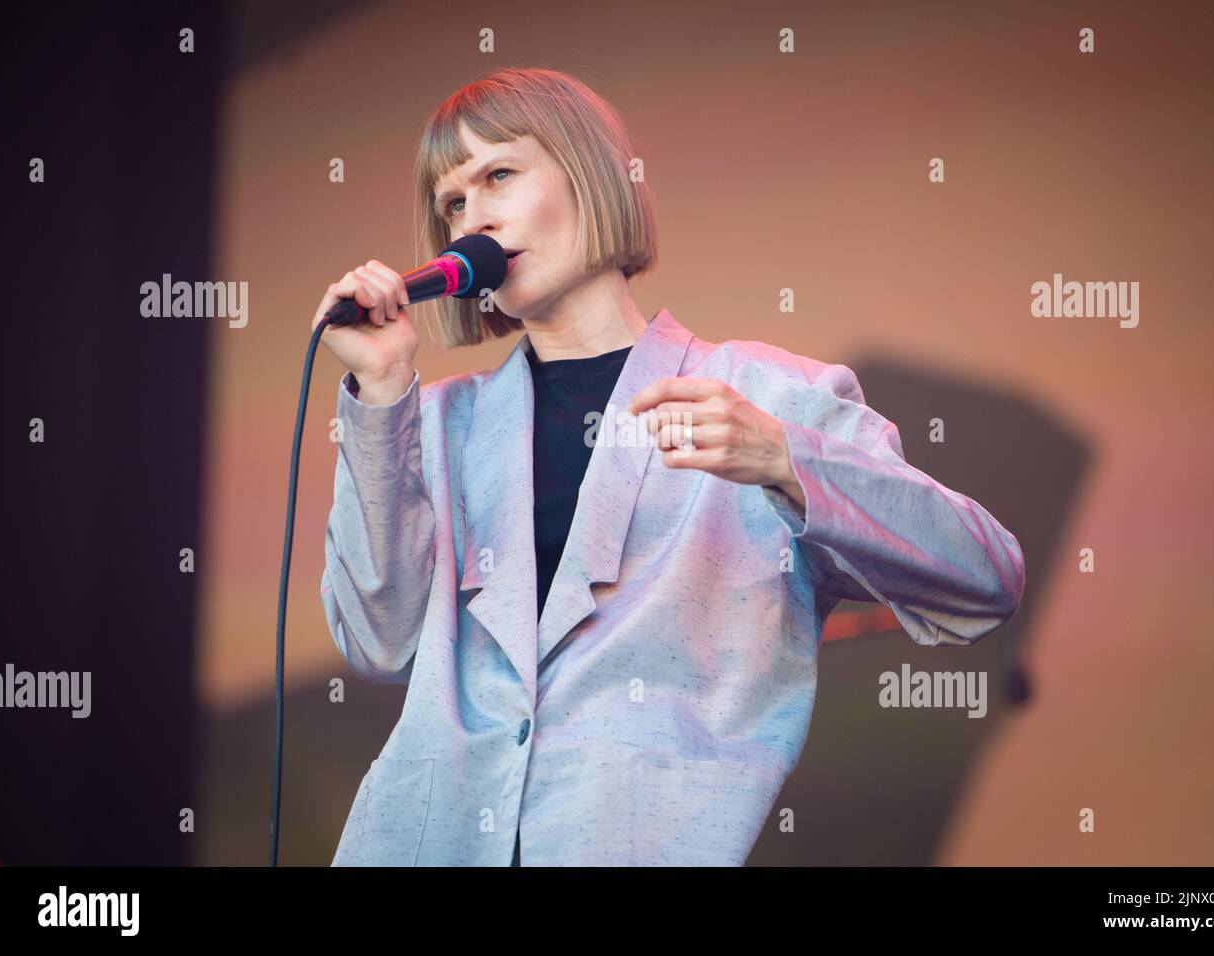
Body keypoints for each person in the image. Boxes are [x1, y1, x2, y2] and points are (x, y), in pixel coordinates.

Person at [313, 67, 1025, 867]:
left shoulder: (766, 395)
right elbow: (377, 644)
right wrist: (378, 397)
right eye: (452, 203)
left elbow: (984, 577)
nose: (473, 215)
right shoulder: (431, 421)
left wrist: (785, 461)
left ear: (591, 173)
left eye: (498, 175)